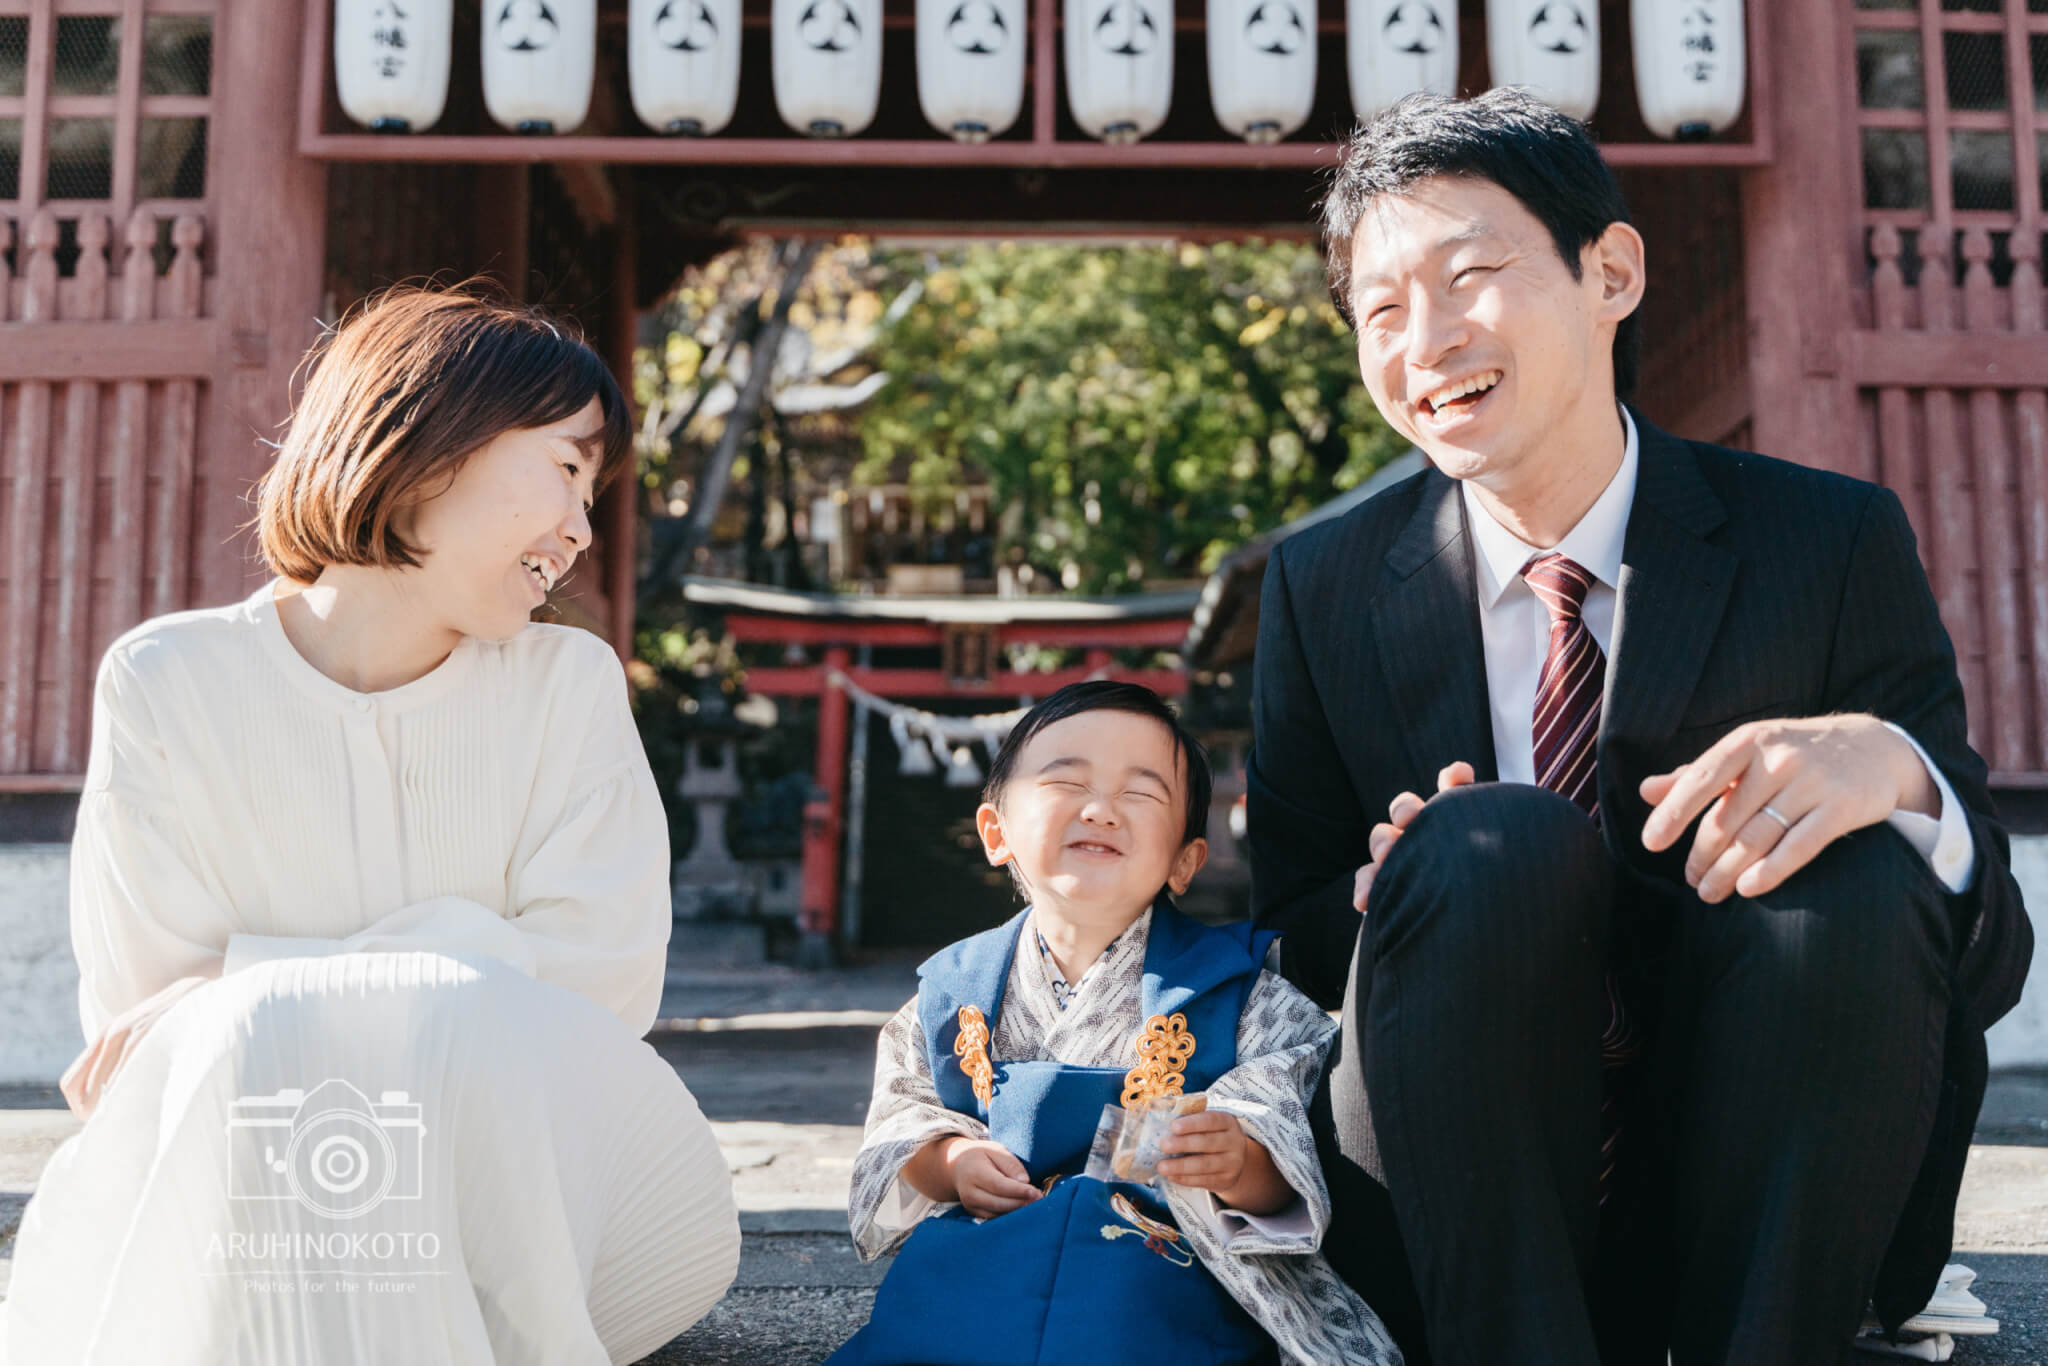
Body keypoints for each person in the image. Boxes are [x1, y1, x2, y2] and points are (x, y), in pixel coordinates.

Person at [1247, 90, 2032, 1366]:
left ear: (1608, 272)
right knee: (1481, 845)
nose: (1425, 341)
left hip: (1766, 1193)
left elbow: (1984, 966)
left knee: (1851, 854)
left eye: (1467, 278)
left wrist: (1899, 778)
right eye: (1379, 311)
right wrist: (1392, 902)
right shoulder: (1322, 586)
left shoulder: (1824, 540)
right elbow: (1280, 938)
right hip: (1463, 1204)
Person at [0, 286, 740, 1366]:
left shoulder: (567, 685)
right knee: (269, 1042)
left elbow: (602, 979)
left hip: (517, 1217)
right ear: (431, 445)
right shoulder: (166, 681)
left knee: (389, 1018)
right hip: (254, 1200)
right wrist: (376, 981)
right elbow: (153, 1028)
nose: (582, 531)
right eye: (568, 470)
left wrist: (256, 971)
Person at [829, 682, 1403, 1366]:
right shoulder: (953, 993)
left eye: (1140, 793)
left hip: (1165, 1267)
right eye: (1066, 782)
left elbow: (1294, 1147)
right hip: (993, 1249)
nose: (1101, 810)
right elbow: (904, 1120)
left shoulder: (1244, 991)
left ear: (1185, 861)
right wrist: (949, 1164)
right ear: (996, 833)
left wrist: (1242, 1164)